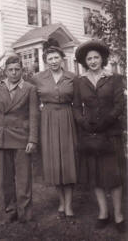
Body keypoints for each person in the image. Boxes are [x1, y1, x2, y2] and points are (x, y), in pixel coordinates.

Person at [73, 39, 126, 233]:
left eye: (96, 57)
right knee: (95, 176)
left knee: (114, 177)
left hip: (111, 134)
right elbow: (77, 107)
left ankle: (119, 216)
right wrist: (83, 122)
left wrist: (107, 121)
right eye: (89, 58)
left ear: (102, 59)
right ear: (85, 61)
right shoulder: (80, 81)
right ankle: (103, 213)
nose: (93, 61)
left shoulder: (114, 78)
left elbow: (120, 105)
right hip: (91, 135)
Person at [0, 54, 38, 223]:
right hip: (1, 136)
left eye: (17, 69)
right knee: (5, 178)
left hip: (22, 137)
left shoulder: (29, 88)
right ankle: (10, 210)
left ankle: (25, 212)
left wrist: (32, 139)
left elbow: (33, 115)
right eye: (11, 70)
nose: (14, 73)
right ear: (5, 71)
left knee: (24, 178)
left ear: (22, 70)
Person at [32, 38, 77, 219]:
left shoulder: (73, 77)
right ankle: (60, 202)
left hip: (67, 118)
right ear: (45, 60)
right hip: (48, 120)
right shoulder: (37, 79)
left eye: (56, 57)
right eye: (50, 58)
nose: (53, 61)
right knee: (54, 162)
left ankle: (69, 205)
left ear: (62, 58)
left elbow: (80, 100)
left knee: (68, 161)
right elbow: (32, 103)